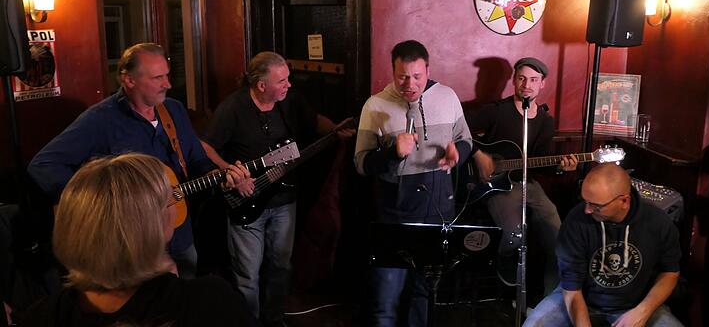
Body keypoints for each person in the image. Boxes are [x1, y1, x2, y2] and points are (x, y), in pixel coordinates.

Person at [27, 43, 250, 278]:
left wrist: (220, 177)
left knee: (185, 300)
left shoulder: (173, 110)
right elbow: (42, 166)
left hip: (180, 235)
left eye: (167, 75)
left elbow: (197, 160)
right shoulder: (100, 120)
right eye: (157, 78)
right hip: (133, 245)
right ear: (129, 80)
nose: (168, 84)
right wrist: (104, 201)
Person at [201, 51, 354, 327]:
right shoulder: (233, 108)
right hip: (246, 201)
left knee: (281, 267)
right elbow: (206, 147)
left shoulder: (290, 101)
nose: (289, 84)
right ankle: (248, 322)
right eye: (282, 80)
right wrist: (231, 173)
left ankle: (274, 320)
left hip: (284, 200)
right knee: (247, 275)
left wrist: (335, 130)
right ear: (261, 86)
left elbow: (313, 120)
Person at [21, 153, 253, 326]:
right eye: (167, 201)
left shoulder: (38, 317)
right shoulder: (210, 302)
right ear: (153, 227)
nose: (173, 205)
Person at [354, 40, 473, 327]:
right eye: (403, 76)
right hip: (394, 218)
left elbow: (466, 139)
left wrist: (458, 153)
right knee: (386, 301)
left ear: (427, 70)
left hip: (437, 215)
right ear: (393, 72)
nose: (410, 83)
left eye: (417, 76)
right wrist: (392, 153)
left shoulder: (447, 96)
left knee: (423, 295)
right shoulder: (375, 104)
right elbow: (361, 163)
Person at [465, 57, 576, 293]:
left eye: (533, 80)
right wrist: (477, 154)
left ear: (542, 83)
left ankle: (551, 297)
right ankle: (505, 271)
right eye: (522, 78)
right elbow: (459, 129)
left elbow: (541, 162)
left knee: (559, 238)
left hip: (529, 184)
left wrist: (560, 167)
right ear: (514, 80)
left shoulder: (545, 121)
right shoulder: (496, 111)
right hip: (495, 185)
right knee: (515, 235)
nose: (527, 85)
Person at [524, 163, 682, 327]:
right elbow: (571, 287)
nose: (587, 210)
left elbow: (670, 272)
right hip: (581, 299)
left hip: (636, 304)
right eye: (585, 201)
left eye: (596, 205)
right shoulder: (576, 221)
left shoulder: (657, 222)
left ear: (624, 201)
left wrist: (643, 311)